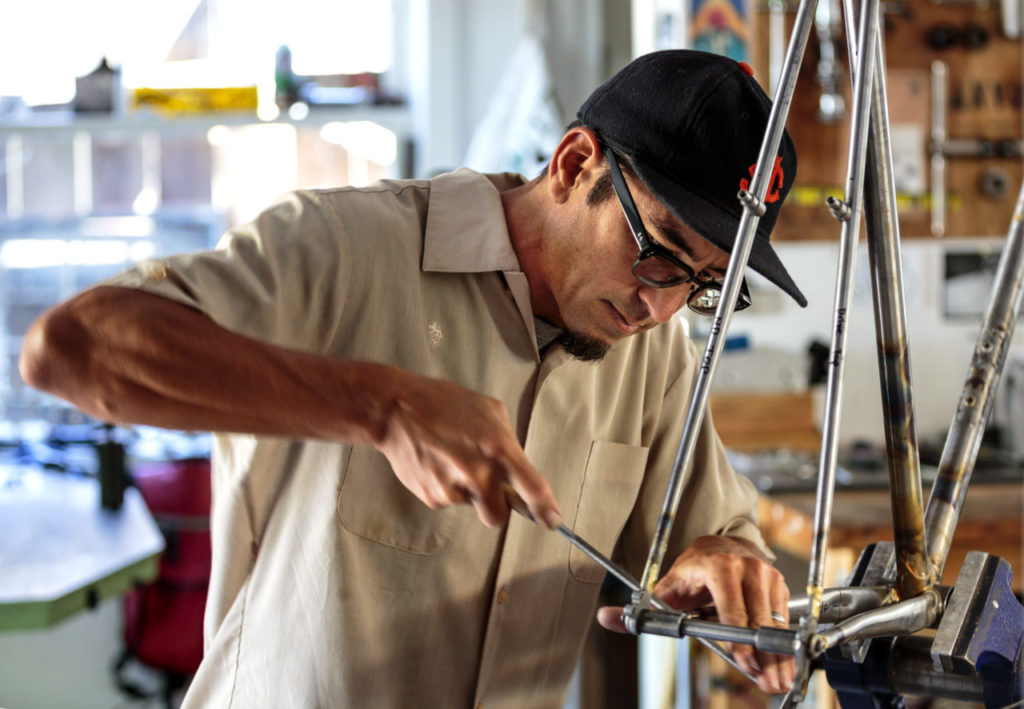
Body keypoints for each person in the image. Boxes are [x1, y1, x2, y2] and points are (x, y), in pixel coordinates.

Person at [21, 49, 806, 707]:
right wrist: (379, 405)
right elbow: (71, 348)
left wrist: (724, 564)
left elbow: (713, 538)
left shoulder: (653, 358)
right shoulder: (349, 249)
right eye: (660, 249)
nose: (662, 304)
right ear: (574, 164)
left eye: (704, 283)